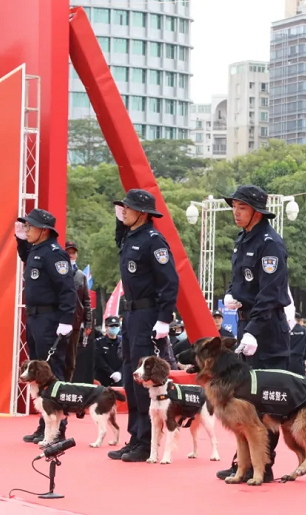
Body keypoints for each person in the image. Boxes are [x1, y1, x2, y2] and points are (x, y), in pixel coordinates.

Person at [216, 184, 292, 483]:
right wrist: (231, 294)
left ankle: (264, 465)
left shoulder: (270, 243)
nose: (236, 212)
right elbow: (241, 280)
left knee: (266, 399)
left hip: (268, 328)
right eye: (234, 206)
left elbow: (270, 293)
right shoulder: (243, 238)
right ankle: (244, 461)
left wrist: (254, 332)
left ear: (257, 211)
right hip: (247, 323)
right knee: (244, 397)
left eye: (242, 207)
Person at [107, 189, 179, 463]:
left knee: (143, 379)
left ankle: (147, 440)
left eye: (128, 208)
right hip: (131, 313)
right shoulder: (131, 236)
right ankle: (136, 436)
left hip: (148, 313)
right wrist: (119, 221)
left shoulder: (153, 240)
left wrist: (164, 318)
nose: (124, 211)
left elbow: (169, 281)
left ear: (143, 213)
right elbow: (119, 240)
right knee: (130, 375)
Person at [15, 209, 77, 445]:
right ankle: (45, 426)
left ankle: (58, 428)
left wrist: (66, 320)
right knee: (38, 374)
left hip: (50, 319)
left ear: (43, 230)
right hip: (35, 318)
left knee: (52, 373)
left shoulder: (54, 254)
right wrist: (20, 239)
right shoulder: (37, 249)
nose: (27, 229)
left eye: (29, 227)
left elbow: (67, 289)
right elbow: (27, 257)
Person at [64, 241, 93, 382]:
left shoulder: (81, 275)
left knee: (71, 359)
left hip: (75, 322)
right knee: (57, 356)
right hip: (58, 320)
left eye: (73, 252)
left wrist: (88, 322)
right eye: (68, 252)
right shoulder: (58, 272)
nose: (71, 255)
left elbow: (86, 301)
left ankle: (66, 384)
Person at [95, 316, 123, 387]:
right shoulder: (99, 342)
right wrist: (111, 373)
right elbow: (99, 360)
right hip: (104, 379)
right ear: (106, 327)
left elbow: (126, 359)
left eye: (116, 325)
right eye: (111, 326)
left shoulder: (123, 342)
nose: (114, 328)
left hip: (120, 379)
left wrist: (120, 372)